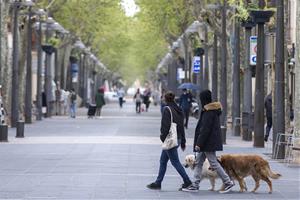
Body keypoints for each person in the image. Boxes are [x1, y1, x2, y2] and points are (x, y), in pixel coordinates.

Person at [182, 89, 234, 193]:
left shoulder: (209, 112)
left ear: (203, 99)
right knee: (198, 162)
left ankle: (228, 182)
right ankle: (195, 184)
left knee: (213, 163)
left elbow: (205, 130)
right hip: (207, 142)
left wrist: (199, 144)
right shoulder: (210, 110)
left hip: (207, 143)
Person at [147, 91, 193, 191]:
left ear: (165, 99)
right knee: (163, 161)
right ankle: (158, 182)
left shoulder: (166, 109)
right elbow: (181, 126)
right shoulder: (179, 109)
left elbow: (165, 126)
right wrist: (183, 141)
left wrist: (162, 138)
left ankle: (187, 181)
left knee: (175, 162)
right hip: (178, 138)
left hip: (170, 140)